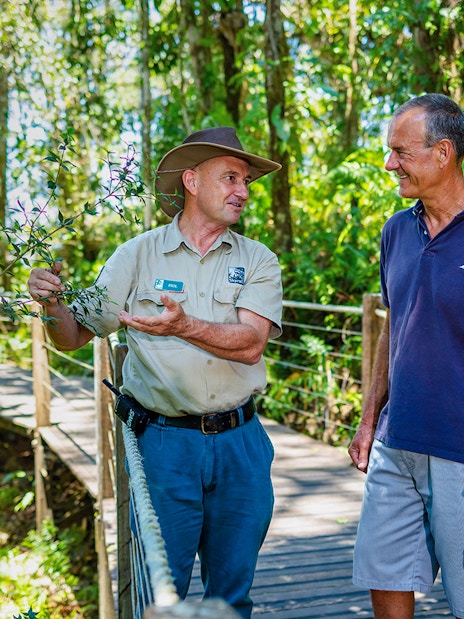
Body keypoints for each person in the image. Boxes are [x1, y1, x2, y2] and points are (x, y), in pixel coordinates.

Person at [28, 127, 283, 618]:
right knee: (159, 597)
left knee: (233, 598)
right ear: (191, 180)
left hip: (241, 444)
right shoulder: (136, 255)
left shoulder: (257, 259)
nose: (243, 191)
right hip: (165, 445)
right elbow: (76, 334)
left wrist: (183, 325)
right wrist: (54, 304)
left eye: (246, 181)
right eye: (231, 178)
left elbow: (251, 345)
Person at [348, 93, 464, 619]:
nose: (390, 163)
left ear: (443, 153)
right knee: (385, 573)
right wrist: (370, 417)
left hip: (459, 448)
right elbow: (395, 326)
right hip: (397, 442)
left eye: (401, 151)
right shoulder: (396, 230)